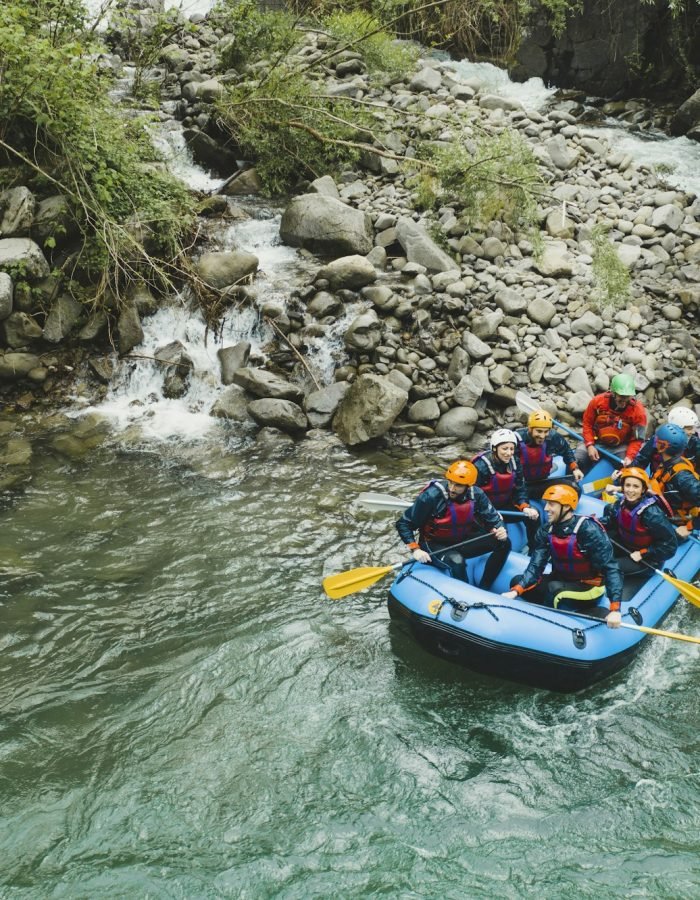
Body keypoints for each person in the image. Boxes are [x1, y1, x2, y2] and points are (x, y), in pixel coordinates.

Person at [501, 484, 623, 628]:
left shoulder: (588, 530)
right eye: (546, 503)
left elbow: (611, 568)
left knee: (555, 590)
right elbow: (536, 565)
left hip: (589, 587)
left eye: (551, 504)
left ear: (566, 507)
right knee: (516, 581)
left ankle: (546, 628)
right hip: (562, 578)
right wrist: (517, 590)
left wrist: (615, 608)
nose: (546, 508)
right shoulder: (547, 530)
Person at [396, 460, 511, 590]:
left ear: (468, 486)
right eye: (450, 482)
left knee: (504, 543)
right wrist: (415, 549)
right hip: (434, 544)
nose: (452, 488)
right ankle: (465, 596)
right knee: (457, 561)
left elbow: (494, 519)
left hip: (461, 540)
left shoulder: (477, 495)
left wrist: (501, 528)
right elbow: (404, 523)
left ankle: (485, 586)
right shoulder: (431, 496)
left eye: (458, 485)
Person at [600, 467, 678, 577]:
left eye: (636, 486)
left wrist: (644, 553)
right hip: (625, 544)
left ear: (643, 490)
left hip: (646, 559)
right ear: (622, 487)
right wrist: (594, 523)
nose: (630, 490)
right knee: (596, 552)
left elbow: (670, 546)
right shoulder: (622, 503)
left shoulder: (652, 515)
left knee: (605, 568)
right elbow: (611, 521)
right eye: (627, 485)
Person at [472, 428, 540, 548]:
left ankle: (534, 550)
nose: (509, 453)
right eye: (504, 449)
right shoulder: (480, 466)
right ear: (494, 448)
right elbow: (472, 497)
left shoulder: (515, 462)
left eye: (512, 449)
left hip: (505, 506)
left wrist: (525, 506)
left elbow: (520, 489)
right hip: (485, 512)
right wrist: (491, 514)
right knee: (501, 533)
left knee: (533, 516)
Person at [575, 373, 647, 473]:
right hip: (596, 441)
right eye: (621, 397)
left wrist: (630, 457)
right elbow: (587, 424)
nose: (624, 401)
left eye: (627, 397)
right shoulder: (597, 402)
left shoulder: (638, 411)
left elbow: (637, 439)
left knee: (627, 470)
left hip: (620, 446)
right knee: (577, 461)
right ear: (613, 393)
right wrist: (590, 445)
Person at [649, 424, 700, 539]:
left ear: (662, 446)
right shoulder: (668, 462)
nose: (654, 441)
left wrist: (690, 527)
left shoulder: (682, 478)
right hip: (665, 512)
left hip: (679, 524)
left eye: (657, 440)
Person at [516, 409, 584, 493]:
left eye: (546, 431)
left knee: (574, 489)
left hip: (542, 481)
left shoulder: (553, 437)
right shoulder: (517, 439)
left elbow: (566, 451)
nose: (542, 436)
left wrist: (575, 469)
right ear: (530, 429)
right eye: (539, 431)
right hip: (520, 485)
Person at [632, 406, 700, 474]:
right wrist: (631, 473)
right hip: (660, 478)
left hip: (684, 479)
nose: (693, 432)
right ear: (677, 428)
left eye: (693, 428)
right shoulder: (658, 439)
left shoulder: (694, 442)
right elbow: (642, 458)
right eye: (689, 429)